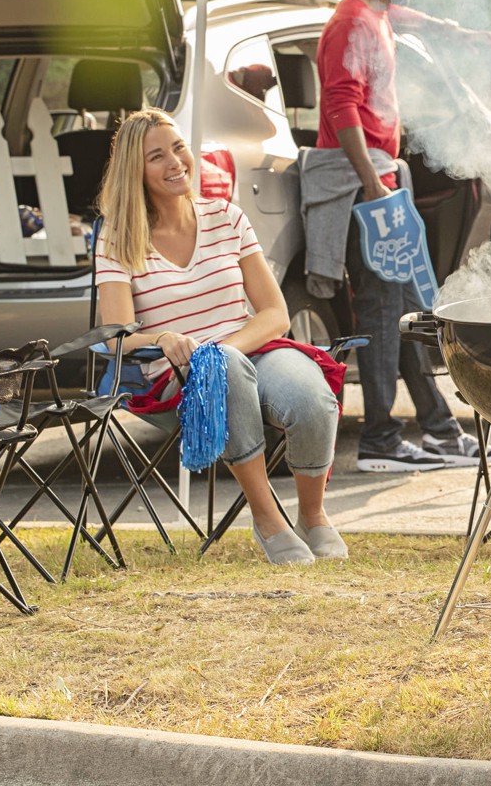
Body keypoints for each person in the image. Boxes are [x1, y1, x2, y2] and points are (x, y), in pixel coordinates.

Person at [94, 108, 344, 566]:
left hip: (247, 349)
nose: (175, 162)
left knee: (309, 395)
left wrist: (225, 347)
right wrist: (165, 337)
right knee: (221, 369)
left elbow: (274, 313)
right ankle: (268, 518)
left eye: (178, 148)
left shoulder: (226, 218)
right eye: (156, 156)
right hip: (175, 373)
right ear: (135, 170)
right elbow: (115, 337)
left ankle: (312, 515)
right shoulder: (119, 238)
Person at [310, 0, 491, 473]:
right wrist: (370, 182)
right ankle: (381, 439)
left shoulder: (375, 14)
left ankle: (434, 428)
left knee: (402, 307)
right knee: (381, 308)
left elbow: (410, 21)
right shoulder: (350, 24)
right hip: (362, 183)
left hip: (383, 175)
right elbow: (341, 105)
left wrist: (459, 33)